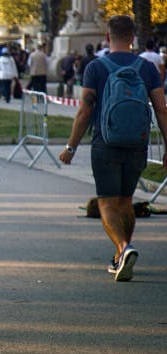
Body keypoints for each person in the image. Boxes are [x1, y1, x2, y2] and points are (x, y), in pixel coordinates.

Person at [59, 15, 167, 282]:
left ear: (107, 37)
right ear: (133, 38)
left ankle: (123, 248)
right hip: (137, 144)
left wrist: (71, 147)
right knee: (126, 201)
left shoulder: (96, 67)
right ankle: (121, 258)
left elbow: (85, 111)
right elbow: (162, 110)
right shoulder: (147, 68)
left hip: (105, 144)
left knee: (107, 202)